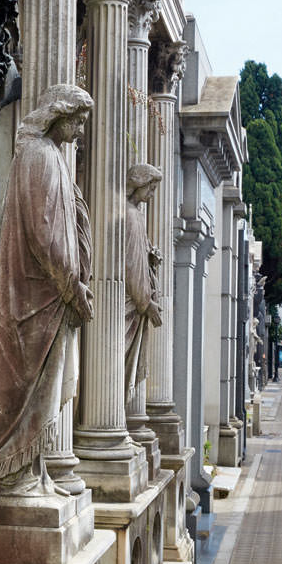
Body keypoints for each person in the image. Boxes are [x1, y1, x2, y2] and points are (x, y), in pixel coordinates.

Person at [0, 84, 94, 500]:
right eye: (78, 120)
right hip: (33, 297)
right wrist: (72, 285)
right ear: (59, 114)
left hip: (48, 298)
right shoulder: (39, 156)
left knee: (40, 396)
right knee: (16, 391)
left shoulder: (50, 155)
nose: (81, 130)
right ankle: (0, 475)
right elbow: (44, 233)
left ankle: (35, 474)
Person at [124, 164, 163, 405]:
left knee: (126, 367)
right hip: (131, 304)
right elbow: (132, 265)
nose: (151, 194)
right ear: (139, 183)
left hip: (136, 304)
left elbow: (140, 257)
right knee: (121, 366)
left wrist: (151, 257)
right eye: (151, 188)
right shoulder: (129, 215)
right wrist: (146, 302)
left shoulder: (136, 215)